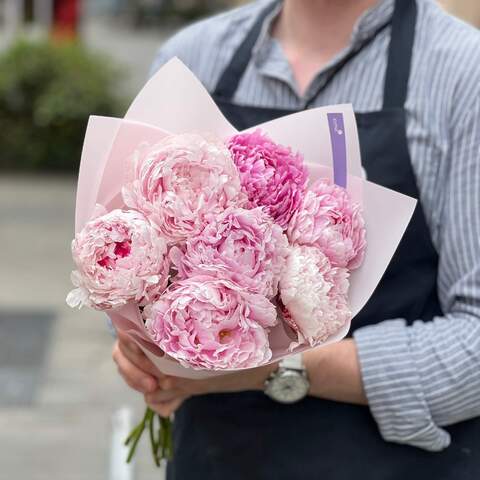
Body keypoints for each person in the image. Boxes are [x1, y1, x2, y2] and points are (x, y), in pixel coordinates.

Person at [112, 1, 480, 478]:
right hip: (215, 458)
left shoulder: (461, 73)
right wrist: (142, 345)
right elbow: (135, 262)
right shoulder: (193, 59)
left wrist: (275, 369)